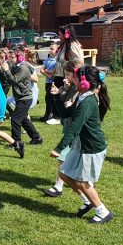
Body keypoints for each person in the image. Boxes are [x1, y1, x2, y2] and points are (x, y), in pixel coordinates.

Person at [50, 66, 113, 224]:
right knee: (64, 173)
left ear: (84, 83)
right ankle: (88, 201)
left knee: (82, 182)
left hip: (91, 148)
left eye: (76, 78)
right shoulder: (82, 97)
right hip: (80, 145)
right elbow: (65, 115)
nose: (73, 80)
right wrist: (58, 97)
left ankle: (102, 211)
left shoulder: (88, 101)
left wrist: (59, 148)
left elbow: (75, 127)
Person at [43, 59, 84, 197]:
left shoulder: (80, 89)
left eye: (68, 74)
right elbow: (63, 107)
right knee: (69, 158)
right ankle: (69, 184)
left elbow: (72, 106)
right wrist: (61, 92)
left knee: (63, 156)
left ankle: (59, 186)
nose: (65, 77)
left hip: (75, 129)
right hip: (68, 126)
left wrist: (66, 96)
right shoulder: (70, 86)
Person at [0, 48, 43, 158]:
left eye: (12, 57)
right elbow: (8, 79)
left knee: (15, 119)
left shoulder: (23, 67)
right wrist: (2, 68)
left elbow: (13, 80)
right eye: (10, 57)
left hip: (25, 98)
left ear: (19, 57)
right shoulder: (16, 66)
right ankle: (36, 137)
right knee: (22, 119)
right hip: (20, 97)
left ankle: (16, 142)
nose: (10, 59)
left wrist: (7, 70)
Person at [53, 25, 84, 119]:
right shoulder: (64, 45)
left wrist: (73, 74)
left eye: (60, 34)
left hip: (68, 76)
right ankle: (59, 115)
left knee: (65, 96)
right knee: (57, 95)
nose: (58, 36)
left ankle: (63, 116)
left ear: (66, 35)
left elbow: (79, 62)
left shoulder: (73, 45)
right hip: (60, 74)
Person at [40, 43, 59, 124]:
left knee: (50, 98)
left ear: (57, 50)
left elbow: (54, 72)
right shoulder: (49, 59)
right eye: (50, 49)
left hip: (53, 82)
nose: (50, 50)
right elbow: (41, 70)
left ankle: (50, 115)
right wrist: (48, 74)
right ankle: (49, 114)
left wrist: (47, 71)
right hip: (48, 82)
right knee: (48, 99)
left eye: (52, 49)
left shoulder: (57, 60)